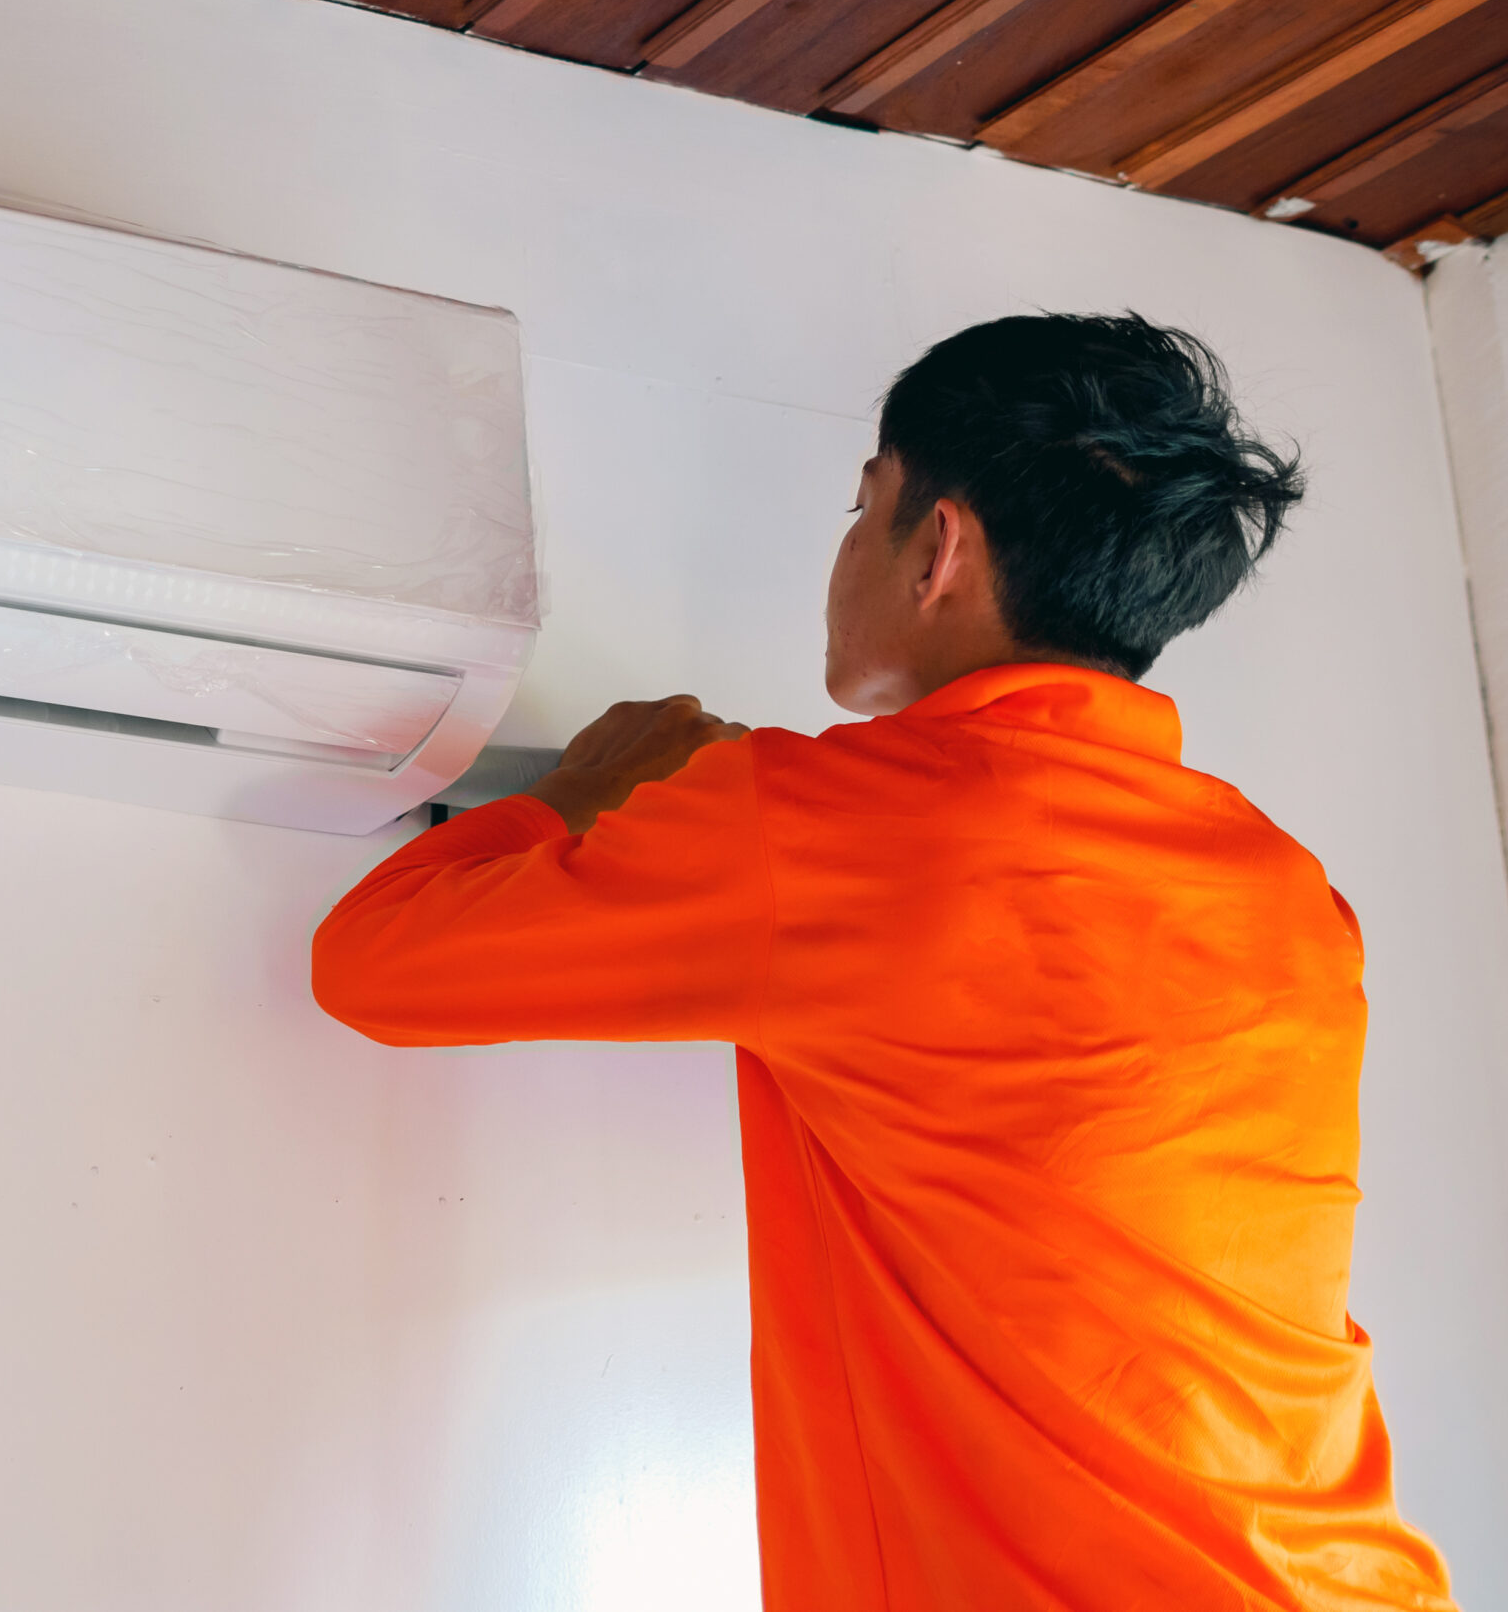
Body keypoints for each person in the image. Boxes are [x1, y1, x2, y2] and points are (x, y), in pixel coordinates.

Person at [312, 314, 1455, 1609]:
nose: (849, 546)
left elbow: (376, 962)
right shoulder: (1290, 892)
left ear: (939, 547)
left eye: (865, 507)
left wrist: (583, 789)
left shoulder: (823, 827)